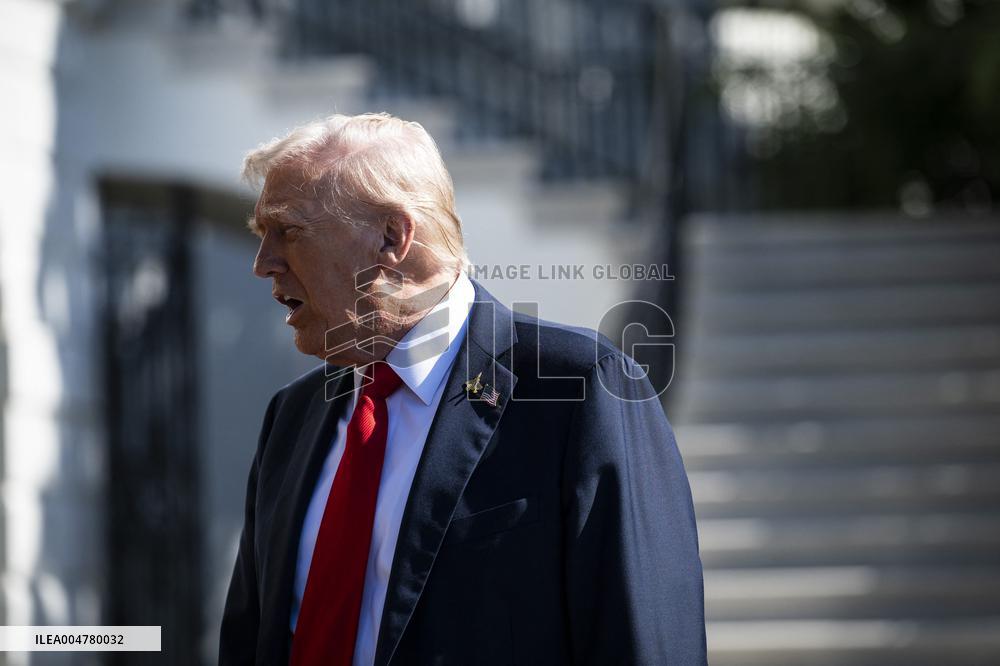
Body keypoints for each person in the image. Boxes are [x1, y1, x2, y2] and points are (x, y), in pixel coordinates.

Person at [219, 112, 706, 666]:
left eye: (290, 231)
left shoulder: (579, 388)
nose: (264, 265)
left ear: (391, 237)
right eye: (263, 236)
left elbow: (645, 641)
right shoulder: (292, 415)